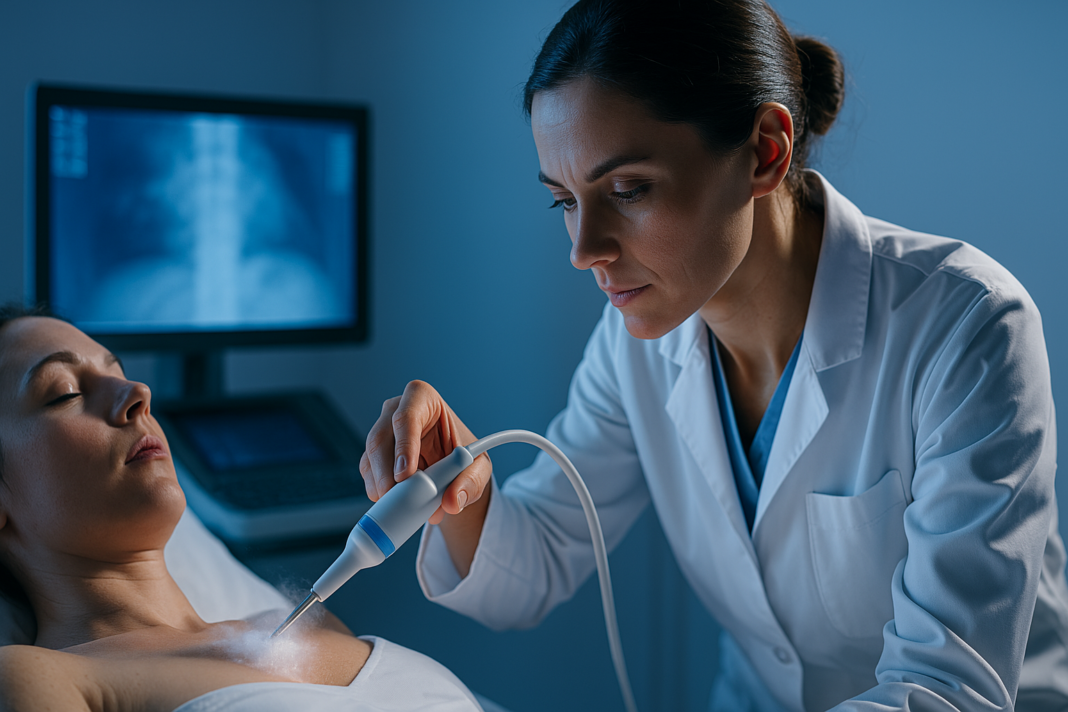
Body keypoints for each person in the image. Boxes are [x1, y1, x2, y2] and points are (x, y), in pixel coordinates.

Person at [360, 0, 1068, 710]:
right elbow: (533, 563)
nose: (584, 250)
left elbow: (947, 691)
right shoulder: (635, 341)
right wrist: (462, 489)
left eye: (629, 189)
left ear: (765, 151)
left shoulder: (967, 327)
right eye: (564, 201)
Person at [0, 305, 481, 712]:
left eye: (120, 373)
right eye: (65, 392)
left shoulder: (304, 625)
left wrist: (465, 488)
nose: (138, 394)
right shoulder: (44, 677)